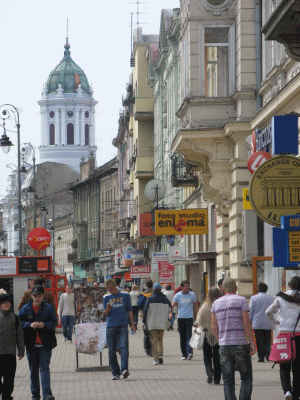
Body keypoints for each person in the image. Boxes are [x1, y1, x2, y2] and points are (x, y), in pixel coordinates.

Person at [211, 278, 256, 400]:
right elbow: (246, 322)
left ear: (223, 289)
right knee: (246, 378)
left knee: (227, 380)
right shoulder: (241, 300)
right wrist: (252, 342)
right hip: (240, 343)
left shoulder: (216, 303)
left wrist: (220, 340)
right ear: (236, 288)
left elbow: (214, 326)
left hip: (224, 345)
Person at [19, 285, 57, 400]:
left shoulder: (48, 308)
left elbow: (55, 322)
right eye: (35, 295)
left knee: (44, 369)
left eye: (39, 295)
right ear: (31, 296)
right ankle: (35, 395)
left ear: (42, 296)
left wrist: (45, 325)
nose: (37, 297)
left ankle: (47, 395)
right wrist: (30, 325)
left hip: (45, 344)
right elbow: (20, 322)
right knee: (33, 372)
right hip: (31, 345)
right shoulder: (25, 308)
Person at [266, 276, 300, 400]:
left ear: (290, 285)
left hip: (284, 335)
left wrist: (277, 321)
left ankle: (287, 391)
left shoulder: (281, 297)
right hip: (299, 336)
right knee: (298, 368)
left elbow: (268, 312)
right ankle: (296, 393)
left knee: (284, 366)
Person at [103, 278, 135, 380]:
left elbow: (130, 310)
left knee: (124, 348)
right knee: (111, 351)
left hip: (123, 325)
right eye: (108, 289)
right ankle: (115, 372)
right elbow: (105, 314)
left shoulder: (125, 295)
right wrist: (108, 309)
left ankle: (124, 370)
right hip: (111, 326)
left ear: (115, 286)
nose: (111, 291)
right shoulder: (106, 297)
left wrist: (133, 324)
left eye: (112, 289)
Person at [0, 293, 25, 400]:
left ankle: (6, 396)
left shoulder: (15, 318)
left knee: (9, 379)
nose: (7, 304)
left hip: (10, 354)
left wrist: (21, 351)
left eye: (8, 302)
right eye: (4, 303)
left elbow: (19, 335)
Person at [196, 287, 223, 384]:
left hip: (206, 334)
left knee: (207, 356)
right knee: (218, 357)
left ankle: (209, 371)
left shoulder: (205, 306)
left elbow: (199, 321)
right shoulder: (221, 305)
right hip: (218, 334)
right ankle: (217, 379)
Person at [143, 283, 171, 365]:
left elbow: (145, 312)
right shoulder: (166, 300)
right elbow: (170, 310)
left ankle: (156, 359)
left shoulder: (150, 299)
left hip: (152, 323)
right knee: (160, 340)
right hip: (162, 323)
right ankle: (161, 355)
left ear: (154, 289)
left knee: (154, 341)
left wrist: (144, 322)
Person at [172, 280, 198, 360]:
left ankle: (190, 352)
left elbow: (195, 307)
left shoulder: (192, 295)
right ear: (182, 287)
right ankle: (184, 354)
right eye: (185, 286)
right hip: (181, 318)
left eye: (188, 286)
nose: (187, 288)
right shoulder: (178, 295)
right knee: (182, 337)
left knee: (189, 336)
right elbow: (173, 304)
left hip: (189, 318)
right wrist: (172, 308)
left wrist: (196, 318)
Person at [249, 282, 275, 362]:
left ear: (258, 289)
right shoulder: (272, 298)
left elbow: (251, 311)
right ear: (266, 289)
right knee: (268, 339)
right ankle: (268, 355)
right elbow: (273, 310)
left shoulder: (254, 298)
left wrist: (250, 320)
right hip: (268, 322)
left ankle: (261, 357)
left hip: (258, 322)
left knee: (259, 340)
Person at [138, 280, 154, 356]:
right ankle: (154, 348)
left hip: (145, 315)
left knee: (146, 333)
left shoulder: (142, 295)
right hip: (154, 315)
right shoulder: (154, 294)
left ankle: (147, 348)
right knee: (154, 333)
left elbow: (139, 304)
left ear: (146, 286)